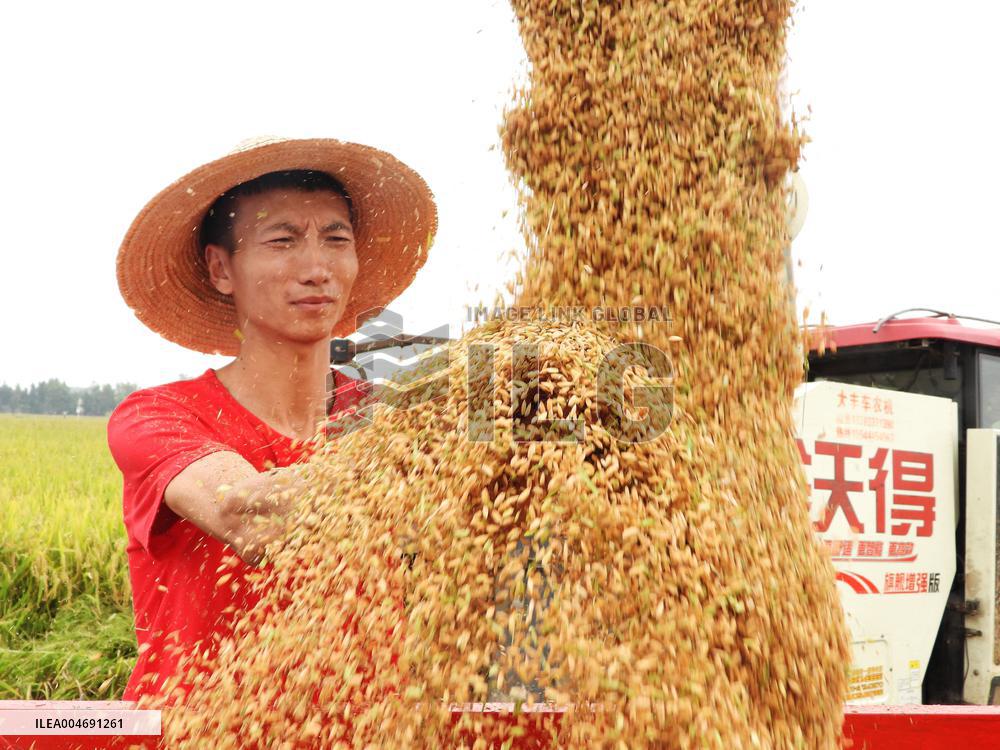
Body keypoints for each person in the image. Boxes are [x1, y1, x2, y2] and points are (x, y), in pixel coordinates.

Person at [106, 137, 437, 703]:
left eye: (336, 239)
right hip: (203, 734)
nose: (316, 268)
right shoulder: (159, 417)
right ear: (221, 268)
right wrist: (399, 462)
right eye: (282, 241)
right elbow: (250, 514)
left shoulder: (397, 418)